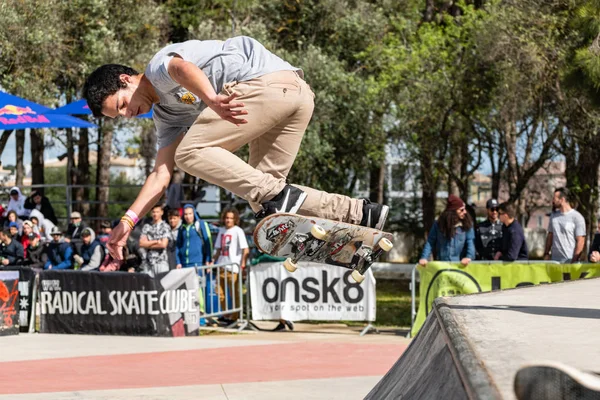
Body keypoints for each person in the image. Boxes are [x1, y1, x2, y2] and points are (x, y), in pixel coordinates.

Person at [83, 36, 389, 264]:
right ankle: (360, 215)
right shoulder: (167, 117)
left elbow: (181, 68)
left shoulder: (155, 70)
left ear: (126, 80)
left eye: (122, 105)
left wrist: (212, 99)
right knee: (268, 203)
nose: (127, 114)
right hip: (296, 97)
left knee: (190, 154)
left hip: (264, 86)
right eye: (119, 117)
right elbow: (160, 175)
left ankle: (281, 198)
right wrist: (126, 223)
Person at [419, 195, 475, 266]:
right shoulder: (438, 224)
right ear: (453, 211)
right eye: (461, 210)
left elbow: (470, 242)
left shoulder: (467, 225)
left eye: (464, 209)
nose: (465, 212)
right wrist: (424, 257)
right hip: (442, 265)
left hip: (460, 266)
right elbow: (430, 242)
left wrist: (469, 257)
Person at [214, 207, 249, 320]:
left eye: (231, 218)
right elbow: (218, 249)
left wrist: (242, 263)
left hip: (233, 267)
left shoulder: (238, 231)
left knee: (234, 294)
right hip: (221, 266)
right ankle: (225, 315)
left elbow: (245, 249)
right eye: (227, 218)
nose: (228, 220)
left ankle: (235, 317)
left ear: (235, 219)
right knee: (220, 293)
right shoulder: (221, 230)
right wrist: (212, 261)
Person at [543, 187, 586, 263]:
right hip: (554, 261)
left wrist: (574, 259)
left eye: (555, 198)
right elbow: (550, 235)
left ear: (562, 200)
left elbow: (581, 241)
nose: (553, 201)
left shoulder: (577, 217)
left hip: (569, 260)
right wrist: (546, 253)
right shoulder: (553, 216)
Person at [176, 204, 213, 269]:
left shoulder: (201, 224)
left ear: (194, 213)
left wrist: (208, 259)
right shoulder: (181, 228)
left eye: (190, 214)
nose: (188, 216)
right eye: (186, 214)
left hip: (198, 263)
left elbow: (208, 242)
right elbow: (178, 246)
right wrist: (178, 262)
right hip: (183, 264)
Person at [138, 205, 171, 277]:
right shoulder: (146, 226)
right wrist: (156, 242)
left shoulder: (165, 226)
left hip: (161, 261)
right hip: (148, 262)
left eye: (157, 212)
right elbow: (141, 243)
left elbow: (163, 245)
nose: (155, 214)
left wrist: (147, 244)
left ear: (161, 213)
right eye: (153, 212)